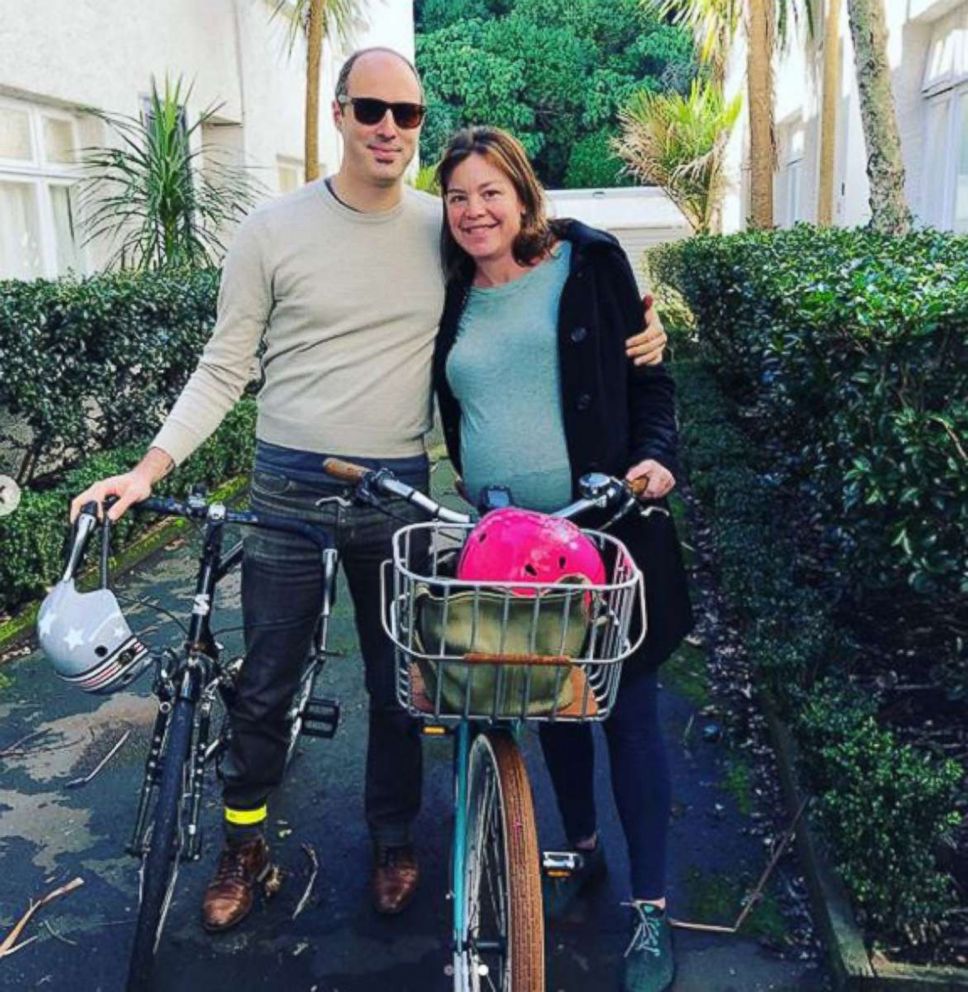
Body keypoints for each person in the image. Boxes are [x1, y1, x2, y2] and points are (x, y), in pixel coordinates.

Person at [70, 50, 667, 934]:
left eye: (408, 113)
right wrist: (150, 467)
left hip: (398, 489)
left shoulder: (442, 228)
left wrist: (637, 318)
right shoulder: (271, 230)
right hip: (286, 486)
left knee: (404, 685)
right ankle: (245, 844)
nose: (390, 127)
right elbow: (225, 364)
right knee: (266, 685)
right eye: (373, 109)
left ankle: (392, 837)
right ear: (341, 115)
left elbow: (531, 247)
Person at [432, 126, 693, 992]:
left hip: (608, 534)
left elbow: (650, 381)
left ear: (522, 193)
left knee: (627, 714)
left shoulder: (588, 264)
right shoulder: (449, 294)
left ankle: (651, 912)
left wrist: (656, 460)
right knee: (547, 702)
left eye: (489, 192)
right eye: (458, 196)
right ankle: (581, 852)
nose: (474, 211)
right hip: (506, 549)